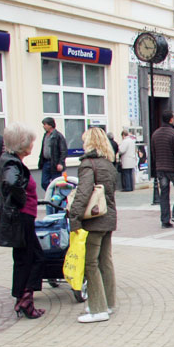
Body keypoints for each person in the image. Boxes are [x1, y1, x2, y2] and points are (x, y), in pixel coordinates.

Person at [0, 123, 45, 318]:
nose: (33, 145)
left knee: (25, 259)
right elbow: (11, 182)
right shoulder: (11, 163)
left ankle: (22, 299)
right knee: (33, 258)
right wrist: (22, 199)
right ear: (23, 145)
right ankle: (25, 301)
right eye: (31, 142)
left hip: (21, 216)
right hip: (22, 217)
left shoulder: (11, 160)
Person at [68, 127, 118, 323]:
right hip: (108, 218)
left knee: (91, 263)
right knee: (105, 261)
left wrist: (75, 217)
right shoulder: (109, 165)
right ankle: (109, 303)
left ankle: (98, 309)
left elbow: (83, 193)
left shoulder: (88, 165)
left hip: (94, 221)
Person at [152, 109, 174, 228]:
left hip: (161, 169)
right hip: (173, 169)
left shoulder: (155, 134)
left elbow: (154, 153)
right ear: (171, 119)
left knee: (164, 194)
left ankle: (165, 220)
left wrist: (156, 168)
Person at [38, 117, 67, 192]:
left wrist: (61, 163)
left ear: (50, 125)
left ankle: (58, 198)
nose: (44, 126)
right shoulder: (45, 135)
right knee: (44, 182)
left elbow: (63, 150)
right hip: (46, 162)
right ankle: (51, 194)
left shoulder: (58, 136)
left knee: (57, 182)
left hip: (55, 163)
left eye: (45, 124)